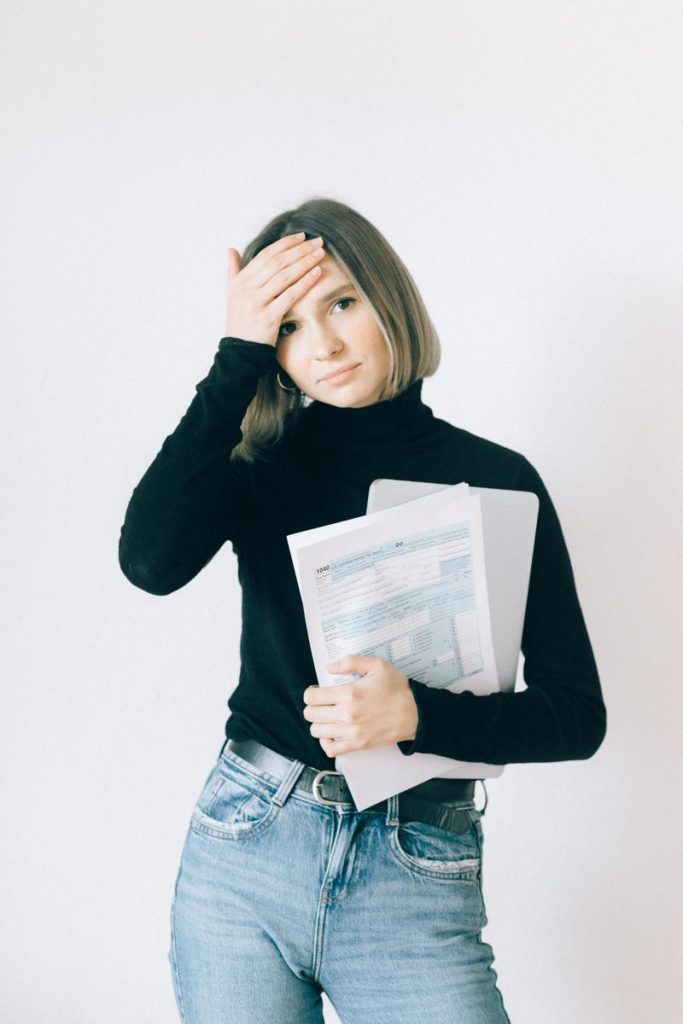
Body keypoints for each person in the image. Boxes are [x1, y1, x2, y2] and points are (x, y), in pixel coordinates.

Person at [118, 196, 606, 1024]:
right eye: (289, 327)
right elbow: (149, 563)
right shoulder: (259, 466)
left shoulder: (498, 479)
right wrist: (234, 354)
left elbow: (574, 717)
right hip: (247, 850)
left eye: (342, 303)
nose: (327, 345)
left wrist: (415, 714)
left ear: (387, 297)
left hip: (414, 873)